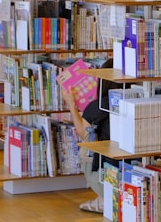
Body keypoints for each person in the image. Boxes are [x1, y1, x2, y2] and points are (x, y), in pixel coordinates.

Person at [62, 59, 119, 214]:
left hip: (106, 173)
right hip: (133, 170)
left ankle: (103, 197)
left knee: (86, 150)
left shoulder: (97, 106)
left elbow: (83, 134)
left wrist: (71, 106)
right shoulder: (135, 102)